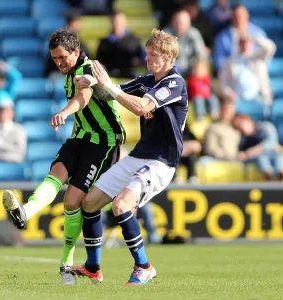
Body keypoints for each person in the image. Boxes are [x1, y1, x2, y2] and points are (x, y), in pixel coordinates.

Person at [2, 28, 125, 285]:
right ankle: (25, 212)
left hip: (104, 143)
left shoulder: (90, 68)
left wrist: (65, 112)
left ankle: (67, 263)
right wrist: (72, 123)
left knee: (71, 203)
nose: (58, 63)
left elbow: (84, 97)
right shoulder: (68, 73)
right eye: (54, 58)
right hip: (81, 137)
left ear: (76, 52)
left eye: (62, 58)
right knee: (56, 172)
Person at [73, 28, 188, 285]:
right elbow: (115, 92)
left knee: (121, 205)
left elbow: (141, 106)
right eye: (147, 53)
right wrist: (93, 83)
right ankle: (93, 267)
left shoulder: (174, 83)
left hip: (161, 162)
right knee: (89, 204)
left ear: (169, 57)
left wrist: (108, 87)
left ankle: (144, 266)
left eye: (153, 54)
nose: (148, 58)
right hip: (139, 156)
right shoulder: (147, 80)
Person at [218, 34, 276, 106]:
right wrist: (229, 94)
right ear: (238, 44)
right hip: (238, 101)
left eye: (246, 42)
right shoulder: (230, 62)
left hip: (259, 98)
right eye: (242, 42)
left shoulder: (258, 57)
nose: (244, 44)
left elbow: (270, 48)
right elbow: (223, 82)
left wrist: (253, 38)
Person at [213, 4, 266, 73]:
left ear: (247, 15)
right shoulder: (222, 37)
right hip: (232, 75)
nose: (239, 18)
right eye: (236, 16)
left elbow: (265, 55)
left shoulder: (258, 33)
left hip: (254, 72)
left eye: (241, 15)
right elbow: (219, 61)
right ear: (232, 17)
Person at [232, 114, 283, 180]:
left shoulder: (266, 127)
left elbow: (272, 143)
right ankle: (268, 174)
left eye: (241, 123)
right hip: (258, 158)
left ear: (248, 121)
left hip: (273, 154)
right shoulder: (243, 139)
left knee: (278, 157)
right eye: (237, 127)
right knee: (261, 158)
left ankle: (280, 174)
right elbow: (242, 155)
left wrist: (252, 151)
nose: (241, 128)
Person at [96, 10, 144, 79]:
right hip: (110, 76)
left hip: (130, 76)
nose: (118, 24)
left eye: (120, 21)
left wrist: (138, 62)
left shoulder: (135, 40)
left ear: (125, 22)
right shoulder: (104, 43)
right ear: (111, 22)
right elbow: (100, 62)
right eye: (115, 21)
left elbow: (141, 61)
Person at [44, 13, 90, 79]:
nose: (75, 27)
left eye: (77, 24)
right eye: (73, 24)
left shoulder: (83, 47)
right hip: (59, 75)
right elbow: (51, 65)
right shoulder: (57, 44)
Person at [163, 9, 206, 77]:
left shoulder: (194, 34)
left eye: (181, 23)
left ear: (188, 23)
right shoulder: (166, 34)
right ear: (172, 21)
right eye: (176, 22)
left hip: (191, 68)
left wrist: (197, 65)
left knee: (201, 66)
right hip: (172, 68)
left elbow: (201, 55)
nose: (178, 25)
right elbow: (161, 55)